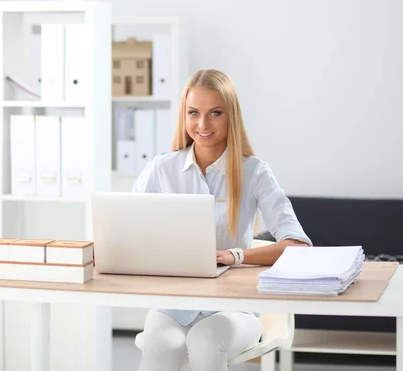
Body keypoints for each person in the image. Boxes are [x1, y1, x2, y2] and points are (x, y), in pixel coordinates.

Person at [132, 69, 312, 371]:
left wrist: (235, 255)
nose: (202, 124)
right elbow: (128, 228)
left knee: (205, 340)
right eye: (194, 113)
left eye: (215, 113)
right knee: (161, 345)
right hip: (174, 303)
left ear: (231, 116)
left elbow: (297, 245)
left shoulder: (255, 173)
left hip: (235, 308)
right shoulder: (161, 169)